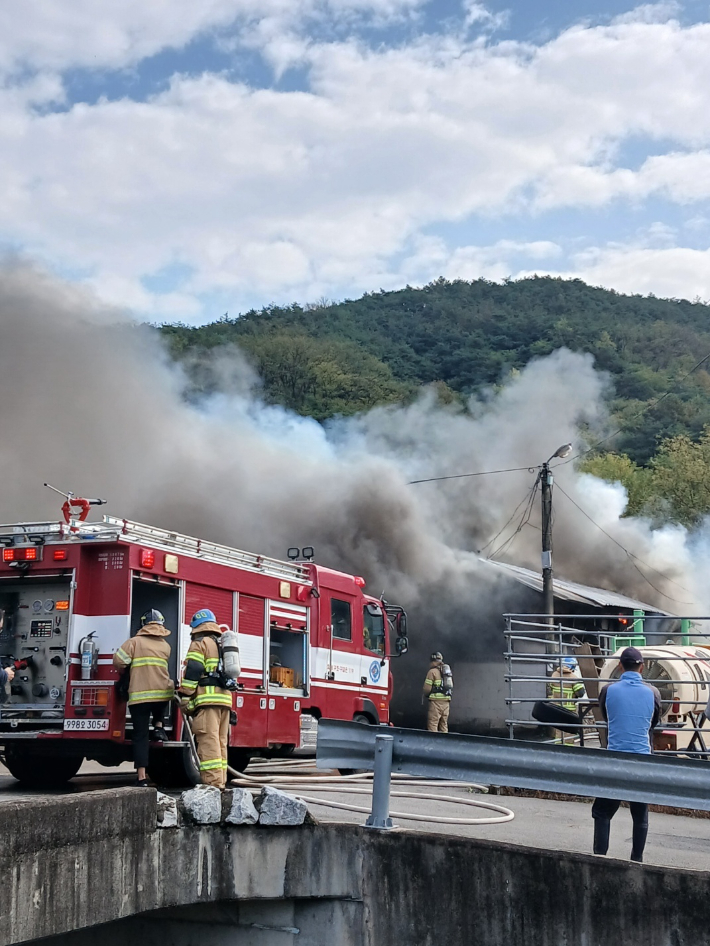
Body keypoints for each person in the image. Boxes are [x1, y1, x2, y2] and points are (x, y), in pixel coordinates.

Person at [592, 646, 661, 863]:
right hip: (641, 759)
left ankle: (600, 860)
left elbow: (606, 717)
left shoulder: (607, 690)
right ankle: (637, 860)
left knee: (602, 812)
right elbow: (654, 722)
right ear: (642, 667)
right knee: (640, 814)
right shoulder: (653, 693)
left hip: (615, 759)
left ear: (620, 666)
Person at [113, 609, 174, 787]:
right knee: (161, 702)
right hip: (161, 695)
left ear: (143, 625)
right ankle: (159, 727)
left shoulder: (134, 643)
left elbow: (119, 662)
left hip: (140, 697)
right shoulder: (166, 646)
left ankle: (141, 778)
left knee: (140, 736)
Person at [178, 609, 233, 789]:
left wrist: (185, 694)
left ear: (196, 627)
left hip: (207, 702)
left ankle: (213, 786)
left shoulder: (199, 643)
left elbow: (193, 669)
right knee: (220, 743)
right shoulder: (221, 644)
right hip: (224, 700)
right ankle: (221, 783)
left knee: (208, 743)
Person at [548, 656, 587, 743]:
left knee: (558, 731)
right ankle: (568, 751)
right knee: (568, 733)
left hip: (556, 708)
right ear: (572, 666)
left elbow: (550, 688)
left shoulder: (554, 675)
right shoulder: (573, 677)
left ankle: (558, 749)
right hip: (569, 710)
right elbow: (580, 693)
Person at [423, 651, 451, 733]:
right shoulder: (446, 671)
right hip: (446, 702)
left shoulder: (432, 672)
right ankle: (445, 743)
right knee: (444, 724)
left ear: (433, 661)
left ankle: (433, 743)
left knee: (433, 724)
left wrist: (426, 694)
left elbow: (427, 689)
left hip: (436, 702)